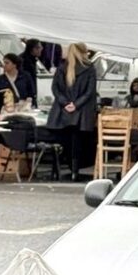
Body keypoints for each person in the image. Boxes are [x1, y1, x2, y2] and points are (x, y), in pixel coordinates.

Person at [47, 41, 98, 181]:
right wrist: (76, 104)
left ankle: (67, 168)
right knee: (79, 142)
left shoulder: (62, 67)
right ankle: (76, 169)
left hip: (62, 112)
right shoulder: (89, 68)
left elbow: (55, 89)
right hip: (81, 113)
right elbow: (90, 91)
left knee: (66, 142)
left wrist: (65, 103)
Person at [18, 39, 44, 107]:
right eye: (39, 47)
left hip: (31, 94)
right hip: (25, 95)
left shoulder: (33, 59)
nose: (41, 49)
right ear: (33, 49)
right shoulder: (23, 61)